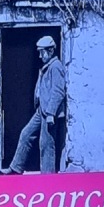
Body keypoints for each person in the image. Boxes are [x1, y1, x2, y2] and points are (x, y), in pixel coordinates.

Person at [9, 33, 70, 173]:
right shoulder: (47, 66)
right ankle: (16, 168)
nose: (40, 56)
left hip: (49, 112)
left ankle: (47, 177)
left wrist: (51, 113)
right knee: (26, 134)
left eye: (42, 52)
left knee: (46, 144)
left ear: (50, 51)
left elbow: (58, 91)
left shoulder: (56, 67)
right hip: (41, 110)